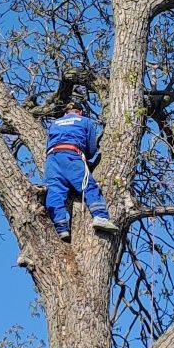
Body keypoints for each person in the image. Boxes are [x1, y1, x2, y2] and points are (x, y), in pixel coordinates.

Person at [43, 90, 118, 240]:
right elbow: (91, 149)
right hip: (71, 155)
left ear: (65, 113)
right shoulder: (84, 121)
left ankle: (61, 227)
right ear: (80, 112)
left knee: (54, 191)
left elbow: (47, 145)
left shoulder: (54, 124)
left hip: (52, 159)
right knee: (88, 185)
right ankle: (100, 217)